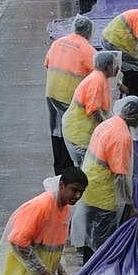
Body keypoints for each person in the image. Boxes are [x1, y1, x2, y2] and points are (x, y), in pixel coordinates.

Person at [71, 97, 138, 258]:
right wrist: (130, 205)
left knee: (91, 241)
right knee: (102, 244)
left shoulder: (109, 123)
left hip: (91, 187)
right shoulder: (122, 136)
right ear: (135, 116)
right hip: (103, 196)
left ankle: (88, 272)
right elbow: (120, 176)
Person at [45, 16, 98, 173]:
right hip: (69, 96)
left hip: (51, 92)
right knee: (72, 131)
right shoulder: (88, 50)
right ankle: (70, 172)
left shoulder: (58, 42)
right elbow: (98, 76)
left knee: (57, 130)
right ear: (88, 32)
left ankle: (60, 170)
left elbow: (47, 63)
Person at [63, 51, 121, 166]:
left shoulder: (100, 78)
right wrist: (108, 127)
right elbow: (94, 110)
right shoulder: (97, 81)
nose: (118, 68)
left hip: (82, 132)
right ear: (107, 67)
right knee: (88, 169)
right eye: (115, 65)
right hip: (79, 135)